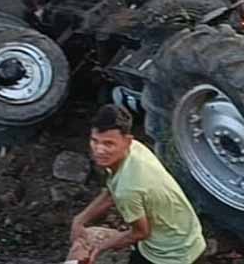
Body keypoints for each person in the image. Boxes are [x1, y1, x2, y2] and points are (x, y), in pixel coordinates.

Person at [68, 105, 206, 264]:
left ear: (127, 141)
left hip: (171, 256)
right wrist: (80, 220)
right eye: (94, 141)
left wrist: (100, 247)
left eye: (108, 144)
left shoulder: (129, 189)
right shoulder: (135, 150)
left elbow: (140, 233)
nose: (99, 150)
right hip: (187, 236)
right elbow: (112, 191)